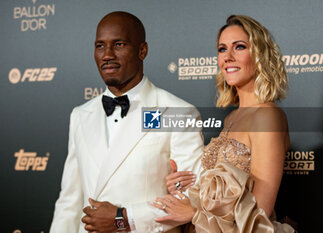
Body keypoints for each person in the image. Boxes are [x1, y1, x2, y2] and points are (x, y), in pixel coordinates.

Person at [49, 11, 203, 233]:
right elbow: (69, 202)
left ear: (142, 50)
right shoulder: (81, 115)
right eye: (100, 46)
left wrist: (122, 218)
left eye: (119, 44)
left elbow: (189, 199)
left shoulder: (177, 112)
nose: (107, 55)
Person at [152, 15, 295, 232]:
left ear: (259, 55)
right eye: (221, 49)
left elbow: (260, 213)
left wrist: (193, 213)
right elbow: (222, 195)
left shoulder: (268, 116)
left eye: (239, 47)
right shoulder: (231, 118)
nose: (227, 57)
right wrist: (187, 185)